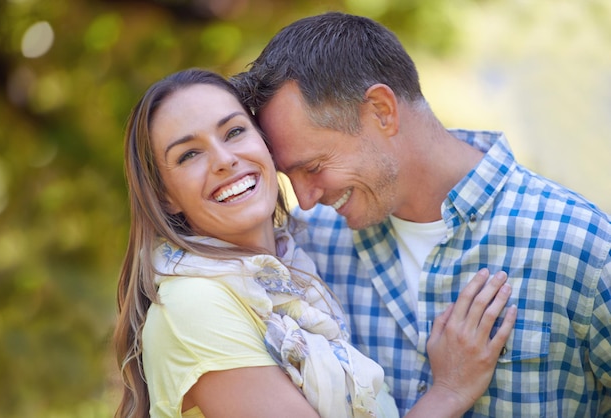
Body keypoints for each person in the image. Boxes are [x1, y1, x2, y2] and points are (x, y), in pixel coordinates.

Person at [233, 11, 611, 418]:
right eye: (290, 177)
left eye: (313, 167)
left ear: (382, 110)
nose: (304, 201)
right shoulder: (308, 253)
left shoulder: (581, 246)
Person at [112, 67, 517, 418]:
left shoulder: (294, 273)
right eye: (188, 155)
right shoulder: (194, 305)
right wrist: (449, 392)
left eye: (234, 131)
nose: (223, 159)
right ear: (164, 195)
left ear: (266, 146)